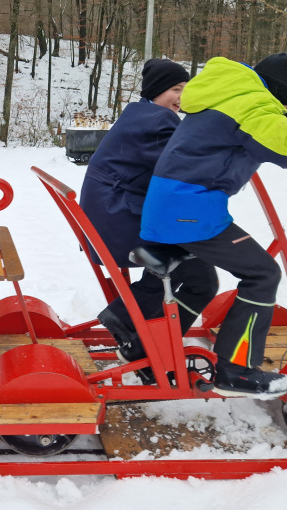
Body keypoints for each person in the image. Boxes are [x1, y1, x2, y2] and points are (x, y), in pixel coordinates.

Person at [140, 51, 287, 398]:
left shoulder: (231, 93)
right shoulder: (252, 103)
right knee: (263, 273)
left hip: (175, 204)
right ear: (284, 96)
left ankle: (136, 337)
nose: (284, 117)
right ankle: (236, 371)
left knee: (205, 277)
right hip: (189, 209)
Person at [80, 59, 219, 376]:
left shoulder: (144, 115)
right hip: (118, 220)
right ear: (156, 92)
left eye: (185, 90)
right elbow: (188, 170)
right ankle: (142, 338)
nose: (181, 97)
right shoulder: (157, 123)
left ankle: (136, 325)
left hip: (114, 215)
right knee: (202, 279)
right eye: (175, 89)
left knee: (180, 260)